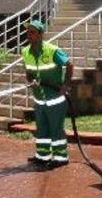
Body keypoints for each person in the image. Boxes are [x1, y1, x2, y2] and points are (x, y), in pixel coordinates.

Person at [22, 19, 74, 168]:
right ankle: (43, 156)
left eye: (32, 32)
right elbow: (28, 71)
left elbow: (69, 64)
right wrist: (31, 80)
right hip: (39, 99)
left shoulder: (53, 51)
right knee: (42, 128)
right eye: (28, 32)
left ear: (40, 34)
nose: (29, 35)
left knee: (56, 129)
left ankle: (60, 157)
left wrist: (65, 85)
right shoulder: (26, 52)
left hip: (55, 99)